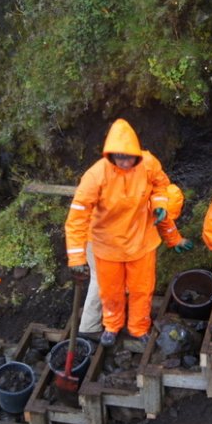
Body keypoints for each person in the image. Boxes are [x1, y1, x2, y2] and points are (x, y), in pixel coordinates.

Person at [65, 118, 173, 347]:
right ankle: (112, 326)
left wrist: (159, 204)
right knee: (110, 292)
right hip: (107, 245)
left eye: (129, 157)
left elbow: (161, 185)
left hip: (141, 241)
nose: (125, 162)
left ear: (137, 153)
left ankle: (139, 327)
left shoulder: (149, 164)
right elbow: (77, 218)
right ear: (110, 155)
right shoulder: (95, 176)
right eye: (119, 157)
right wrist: (76, 258)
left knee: (142, 290)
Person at [77, 183, 193, 339]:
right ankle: (89, 327)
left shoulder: (150, 194)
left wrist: (176, 240)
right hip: (98, 242)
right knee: (101, 281)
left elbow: (164, 220)